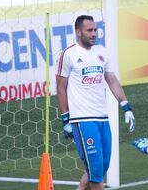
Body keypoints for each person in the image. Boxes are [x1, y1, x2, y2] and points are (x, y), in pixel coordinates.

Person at [56, 15, 136, 190]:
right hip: (82, 120)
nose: (94, 33)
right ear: (78, 32)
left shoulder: (102, 52)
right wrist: (65, 119)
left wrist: (125, 106)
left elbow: (112, 80)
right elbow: (61, 88)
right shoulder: (68, 55)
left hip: (102, 118)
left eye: (95, 29)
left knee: (102, 166)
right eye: (89, 30)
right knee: (95, 171)